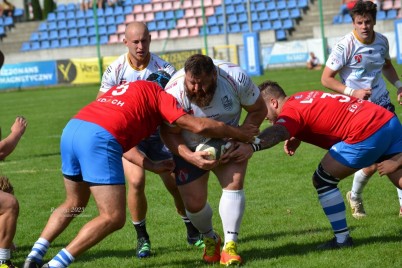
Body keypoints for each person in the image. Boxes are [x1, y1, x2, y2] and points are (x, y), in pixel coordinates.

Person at [22, 72, 259, 268]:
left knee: (73, 202)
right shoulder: (159, 94)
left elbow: (124, 142)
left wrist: (153, 166)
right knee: (112, 217)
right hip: (98, 138)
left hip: (73, 130)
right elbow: (196, 124)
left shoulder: (124, 89)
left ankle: (34, 255)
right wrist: (239, 133)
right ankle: (55, 265)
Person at [226, 80, 401, 249]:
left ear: (273, 102)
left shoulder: (290, 111)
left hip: (366, 130)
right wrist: (297, 136)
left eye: (265, 113)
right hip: (387, 120)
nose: (265, 118)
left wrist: (252, 145)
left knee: (323, 180)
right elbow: (319, 114)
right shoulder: (302, 96)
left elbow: (278, 131)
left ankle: (342, 240)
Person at [96, 21, 204, 259]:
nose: (140, 46)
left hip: (159, 134)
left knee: (175, 184)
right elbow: (101, 104)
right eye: (135, 41)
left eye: (144, 40)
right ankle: (142, 237)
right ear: (125, 42)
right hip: (130, 135)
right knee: (135, 182)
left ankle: (191, 229)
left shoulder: (164, 69)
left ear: (150, 39)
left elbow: (176, 104)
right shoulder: (114, 70)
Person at [160, 54, 267, 265]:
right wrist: (191, 156)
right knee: (194, 203)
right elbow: (168, 133)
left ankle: (230, 246)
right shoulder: (173, 92)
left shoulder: (236, 79)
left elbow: (258, 109)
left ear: (215, 76)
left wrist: (245, 141)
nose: (197, 89)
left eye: (202, 83)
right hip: (189, 146)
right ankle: (210, 238)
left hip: (229, 141)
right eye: (192, 83)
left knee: (234, 184)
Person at [321, 0, 402, 219]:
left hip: (384, 108)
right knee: (373, 165)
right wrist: (352, 92)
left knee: (397, 156)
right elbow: (326, 78)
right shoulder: (345, 45)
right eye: (359, 22)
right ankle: (355, 196)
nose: (364, 26)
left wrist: (399, 86)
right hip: (360, 113)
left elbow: (386, 66)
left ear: (374, 21)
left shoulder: (382, 42)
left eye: (368, 21)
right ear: (353, 23)